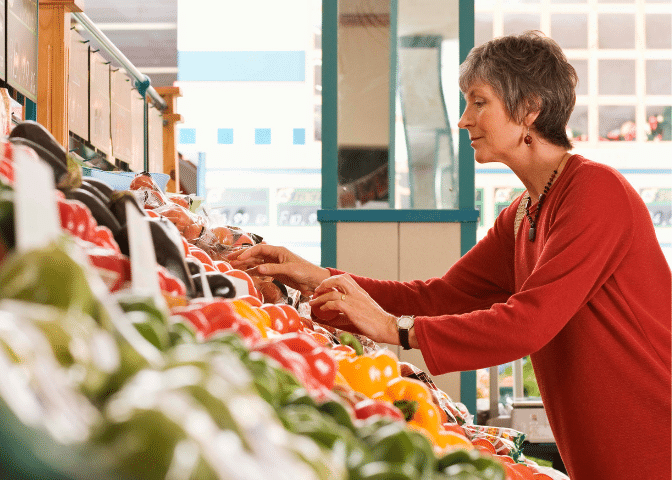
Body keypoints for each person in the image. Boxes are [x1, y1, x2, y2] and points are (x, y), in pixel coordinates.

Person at [229, 31, 671, 480]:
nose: (463, 120)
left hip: (652, 435)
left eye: (479, 103)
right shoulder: (521, 215)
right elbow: (443, 296)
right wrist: (317, 277)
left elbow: (528, 323)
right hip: (595, 443)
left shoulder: (596, 193)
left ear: (530, 110)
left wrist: (394, 330)